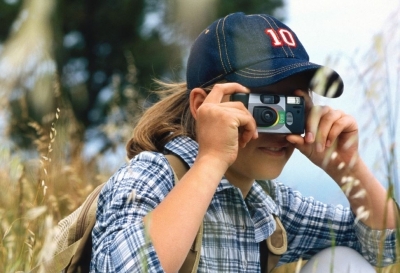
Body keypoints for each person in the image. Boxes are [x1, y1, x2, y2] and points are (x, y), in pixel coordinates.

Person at [90, 12, 398, 272]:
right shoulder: (149, 177)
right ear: (202, 105)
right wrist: (211, 160)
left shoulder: (267, 202)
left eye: (293, 108)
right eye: (265, 108)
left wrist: (349, 169)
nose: (278, 128)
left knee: (341, 260)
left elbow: (384, 248)